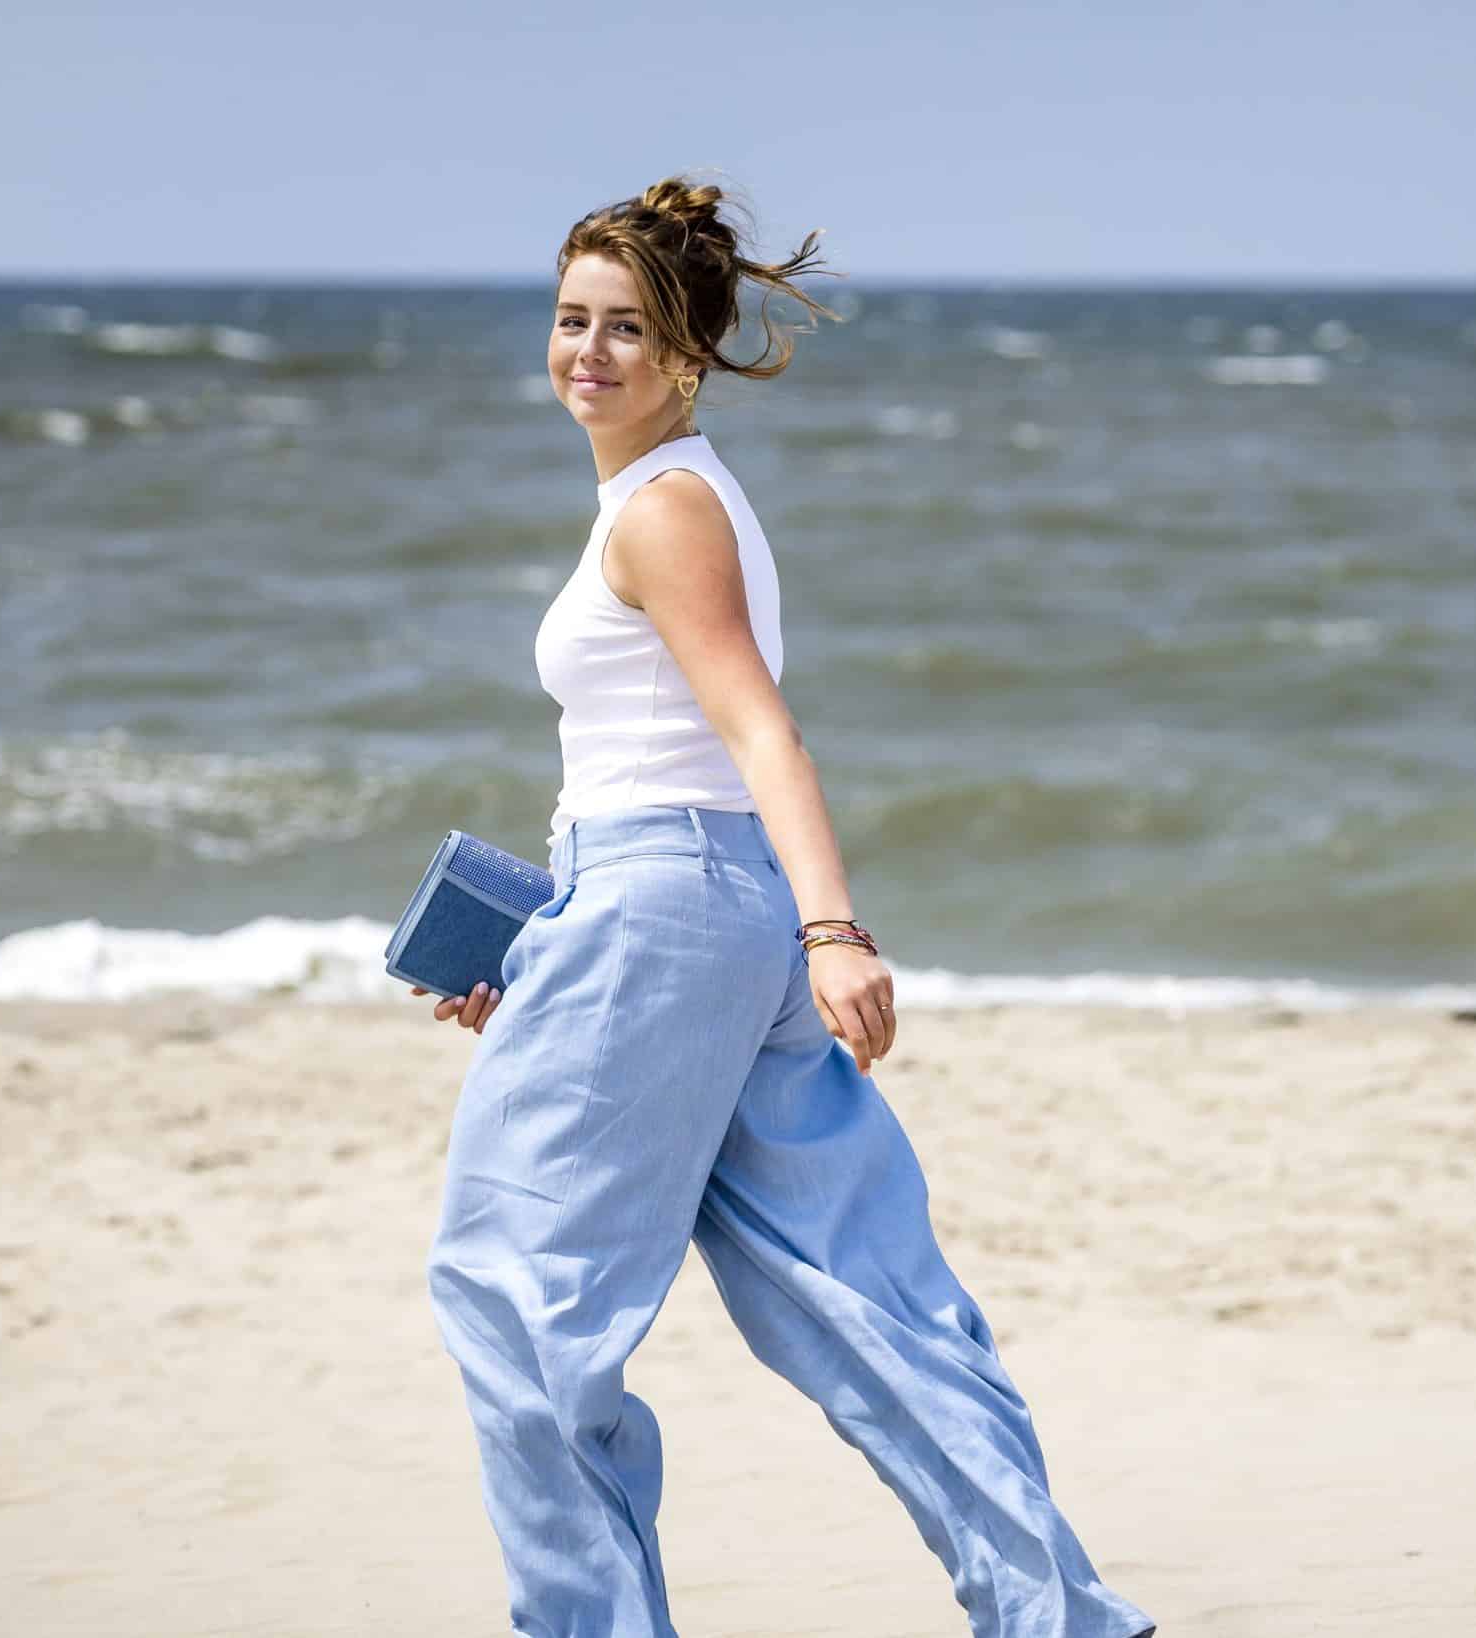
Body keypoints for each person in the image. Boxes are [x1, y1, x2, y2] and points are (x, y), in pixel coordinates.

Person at [413, 174, 1153, 1638]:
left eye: (627, 329)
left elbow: (761, 731)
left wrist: (836, 929)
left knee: (512, 1292)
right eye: (571, 321)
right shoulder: (677, 500)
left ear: (689, 353)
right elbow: (692, 763)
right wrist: (560, 949)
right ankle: (1061, 1618)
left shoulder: (663, 510)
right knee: (863, 1303)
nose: (589, 354)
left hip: (676, 906)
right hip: (686, 916)